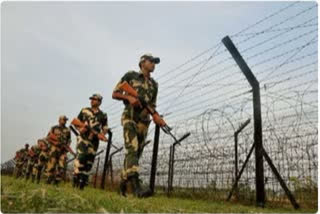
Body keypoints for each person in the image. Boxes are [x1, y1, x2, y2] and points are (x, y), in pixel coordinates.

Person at [112, 53, 165, 198]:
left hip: (144, 123)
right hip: (130, 118)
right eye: (151, 61)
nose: (154, 64)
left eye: (155, 62)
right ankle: (137, 188)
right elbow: (115, 93)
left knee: (136, 154)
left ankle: (123, 183)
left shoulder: (155, 84)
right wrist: (129, 97)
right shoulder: (131, 76)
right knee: (132, 148)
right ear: (143, 63)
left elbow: (151, 105)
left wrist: (156, 116)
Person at [72, 94, 108, 190]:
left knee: (89, 162)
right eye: (91, 99)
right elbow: (76, 122)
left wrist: (102, 134)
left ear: (99, 102)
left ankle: (82, 183)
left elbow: (105, 127)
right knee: (81, 157)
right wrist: (80, 128)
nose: (92, 101)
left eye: (94, 99)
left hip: (94, 141)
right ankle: (75, 179)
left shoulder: (103, 115)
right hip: (83, 138)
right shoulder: (84, 110)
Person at [45, 115, 71, 185]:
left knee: (61, 166)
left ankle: (56, 182)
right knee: (52, 165)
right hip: (54, 149)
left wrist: (67, 147)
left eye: (65, 120)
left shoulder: (68, 130)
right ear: (59, 120)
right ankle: (48, 181)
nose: (65, 121)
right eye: (63, 120)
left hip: (62, 151)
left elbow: (69, 140)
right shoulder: (54, 128)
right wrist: (55, 143)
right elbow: (48, 138)